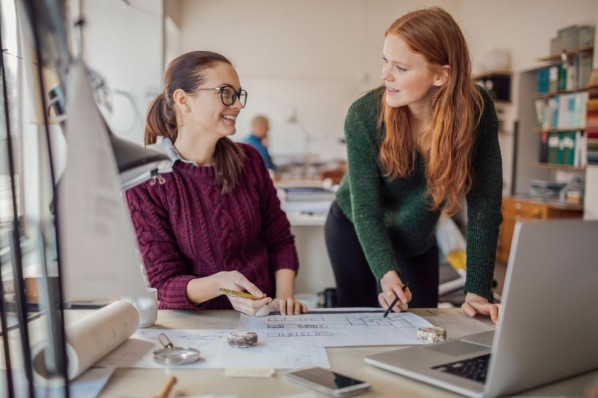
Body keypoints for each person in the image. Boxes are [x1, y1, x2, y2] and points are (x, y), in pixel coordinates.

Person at [324, 7, 502, 324]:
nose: (385, 75)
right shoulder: (364, 115)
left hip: (416, 237)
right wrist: (386, 273)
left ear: (440, 75)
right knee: (356, 328)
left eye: (401, 68)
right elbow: (365, 208)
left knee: (423, 329)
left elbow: (484, 202)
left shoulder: (476, 110)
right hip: (354, 227)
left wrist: (477, 290)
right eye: (385, 61)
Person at [126, 51, 306, 315]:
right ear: (183, 100)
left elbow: (280, 242)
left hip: (263, 319)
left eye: (238, 94)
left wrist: (283, 302)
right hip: (194, 327)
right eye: (225, 93)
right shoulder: (147, 181)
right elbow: (163, 283)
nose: (237, 105)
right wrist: (219, 285)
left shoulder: (250, 160)